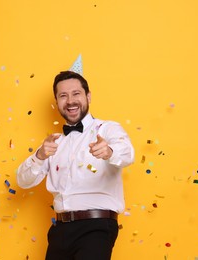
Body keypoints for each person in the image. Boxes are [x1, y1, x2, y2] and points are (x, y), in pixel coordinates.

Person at [17, 70, 135, 260]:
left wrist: (109, 152)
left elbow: (128, 154)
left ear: (88, 96)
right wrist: (39, 156)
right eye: (63, 96)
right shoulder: (53, 143)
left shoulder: (107, 129)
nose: (70, 101)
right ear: (57, 102)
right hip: (60, 230)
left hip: (97, 227)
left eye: (76, 94)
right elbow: (22, 181)